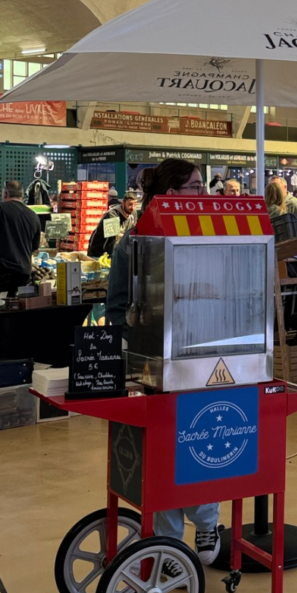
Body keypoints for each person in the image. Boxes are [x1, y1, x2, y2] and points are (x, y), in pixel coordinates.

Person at [106, 160, 221, 565]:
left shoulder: (207, 233)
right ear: (171, 195)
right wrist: (134, 348)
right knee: (164, 448)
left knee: (203, 441)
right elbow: (118, 307)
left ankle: (206, 521)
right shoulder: (134, 241)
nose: (203, 195)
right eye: (195, 187)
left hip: (201, 353)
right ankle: (170, 542)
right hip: (154, 359)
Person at [0, 180, 42, 295]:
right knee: (16, 307)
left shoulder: (1, 209)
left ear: (5, 194)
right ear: (22, 196)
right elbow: (34, 247)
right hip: (23, 274)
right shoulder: (33, 216)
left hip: (2, 271)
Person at [88, 191, 138, 258]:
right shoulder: (112, 214)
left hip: (115, 252)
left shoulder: (133, 214)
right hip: (98, 252)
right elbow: (113, 238)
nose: (132, 207)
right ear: (123, 204)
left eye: (134, 205)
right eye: (130, 204)